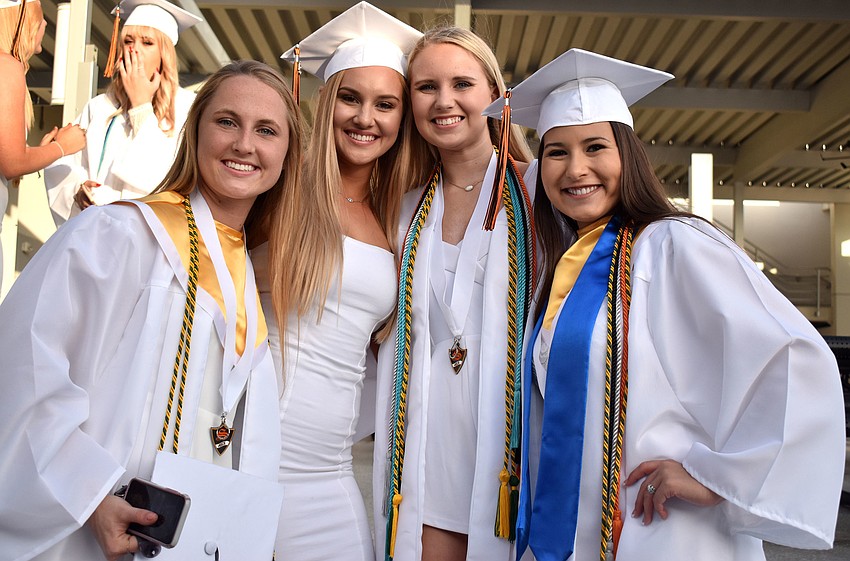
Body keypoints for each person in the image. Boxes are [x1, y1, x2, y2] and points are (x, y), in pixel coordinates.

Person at [491, 48, 846, 560]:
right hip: (585, 530)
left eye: (595, 147)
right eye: (557, 152)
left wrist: (716, 479)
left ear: (627, 157)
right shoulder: (562, 267)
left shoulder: (675, 245)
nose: (576, 168)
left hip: (664, 528)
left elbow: (795, 357)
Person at [0, 59, 303, 561]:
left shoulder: (248, 274)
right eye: (227, 121)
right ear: (196, 132)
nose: (244, 144)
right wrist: (92, 495)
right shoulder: (120, 236)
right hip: (98, 532)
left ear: (287, 155)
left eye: (266, 130)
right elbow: (22, 371)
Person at [250, 4, 422, 560]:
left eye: (385, 104)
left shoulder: (395, 217)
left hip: (332, 474)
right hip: (249, 458)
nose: (365, 117)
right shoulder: (277, 190)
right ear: (327, 103)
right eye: (351, 97)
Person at [372, 25, 537, 561]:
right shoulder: (402, 209)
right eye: (425, 87)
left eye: (462, 83)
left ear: (495, 95)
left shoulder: (540, 194)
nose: (444, 101)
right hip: (424, 456)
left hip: (512, 457)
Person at [44, 0, 201, 227]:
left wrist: (141, 107)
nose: (134, 49)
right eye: (128, 41)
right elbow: (65, 165)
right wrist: (78, 190)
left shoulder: (188, 108)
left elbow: (168, 180)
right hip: (97, 233)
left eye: (147, 43)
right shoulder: (99, 107)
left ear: (164, 54)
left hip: (151, 238)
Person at [0, 0, 85, 284]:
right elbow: (11, 162)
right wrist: (63, 147)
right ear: (20, 18)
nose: (46, 24)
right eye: (40, 15)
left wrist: (42, 151)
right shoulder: (6, 66)